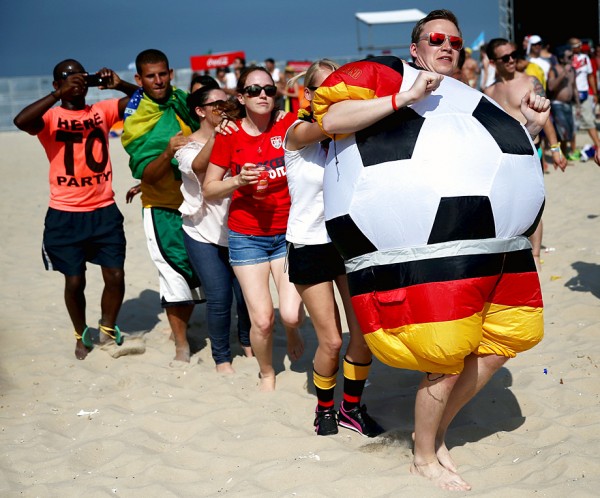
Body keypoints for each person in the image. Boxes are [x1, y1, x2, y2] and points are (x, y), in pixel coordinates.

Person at [313, 9, 548, 490]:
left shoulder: (469, 101)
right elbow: (329, 117)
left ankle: (435, 432)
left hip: (495, 246)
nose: (447, 46)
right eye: (435, 39)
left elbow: (484, 155)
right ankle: (424, 455)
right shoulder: (388, 76)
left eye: (455, 42)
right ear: (415, 48)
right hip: (420, 250)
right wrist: (402, 96)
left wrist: (526, 123)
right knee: (442, 359)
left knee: (506, 340)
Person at [284, 59, 384, 437]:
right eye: (326, 87)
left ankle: (351, 408)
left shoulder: (354, 136)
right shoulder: (297, 132)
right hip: (309, 244)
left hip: (349, 244)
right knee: (331, 339)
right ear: (308, 94)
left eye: (341, 85)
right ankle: (324, 409)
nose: (335, 93)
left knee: (365, 336)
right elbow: (328, 123)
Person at [13, 59, 138, 359]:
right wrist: (57, 95)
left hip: (103, 209)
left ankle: (107, 329)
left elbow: (146, 100)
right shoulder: (50, 118)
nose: (75, 82)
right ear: (56, 85)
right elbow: (20, 121)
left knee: (116, 275)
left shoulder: (102, 111)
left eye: (79, 77)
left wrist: (119, 83)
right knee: (74, 279)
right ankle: (81, 332)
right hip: (65, 213)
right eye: (66, 79)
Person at [203, 66, 305, 391]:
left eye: (269, 89)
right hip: (247, 236)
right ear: (241, 96)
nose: (262, 95)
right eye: (254, 90)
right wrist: (236, 180)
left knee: (290, 316)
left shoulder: (289, 124)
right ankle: (267, 372)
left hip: (288, 232)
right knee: (262, 319)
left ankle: (291, 331)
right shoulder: (228, 134)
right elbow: (209, 188)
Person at [121, 49, 204, 363]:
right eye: (150, 76)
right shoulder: (136, 118)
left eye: (162, 74)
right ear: (139, 79)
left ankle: (182, 329)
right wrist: (166, 152)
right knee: (173, 274)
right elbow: (146, 174)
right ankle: (181, 345)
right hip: (161, 206)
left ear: (171, 73)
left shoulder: (184, 100)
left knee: (197, 273)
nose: (158, 81)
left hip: (199, 202)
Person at [174, 84, 253, 373]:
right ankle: (221, 357)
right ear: (200, 111)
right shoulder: (186, 146)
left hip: (239, 228)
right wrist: (219, 134)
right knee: (220, 297)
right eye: (217, 104)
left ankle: (247, 342)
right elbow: (198, 164)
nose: (224, 108)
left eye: (227, 102)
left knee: (246, 295)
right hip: (201, 231)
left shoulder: (237, 133)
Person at [485, 38, 567, 272]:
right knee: (508, 203)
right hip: (505, 156)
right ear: (493, 62)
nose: (512, 60)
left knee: (532, 202)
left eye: (514, 54)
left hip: (533, 150)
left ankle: (535, 254)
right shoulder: (489, 92)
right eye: (505, 58)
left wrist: (556, 148)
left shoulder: (530, 81)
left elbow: (544, 117)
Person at [547, 46, 580, 158]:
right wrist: (563, 74)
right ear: (561, 59)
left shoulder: (572, 70)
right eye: (570, 56)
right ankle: (560, 156)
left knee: (569, 131)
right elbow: (551, 87)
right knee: (562, 131)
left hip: (569, 104)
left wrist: (578, 105)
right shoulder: (554, 70)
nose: (572, 58)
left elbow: (574, 88)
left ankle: (564, 155)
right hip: (557, 105)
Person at [570, 37, 600, 155]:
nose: (580, 46)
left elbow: (590, 76)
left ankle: (598, 146)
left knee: (589, 121)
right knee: (572, 124)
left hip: (585, 93)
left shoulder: (585, 58)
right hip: (572, 95)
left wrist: (595, 93)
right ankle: (573, 150)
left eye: (580, 44)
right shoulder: (566, 58)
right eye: (577, 45)